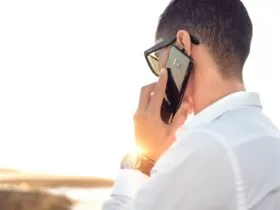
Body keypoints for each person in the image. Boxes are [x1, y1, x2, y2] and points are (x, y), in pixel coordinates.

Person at [102, 0, 280, 209]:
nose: (159, 71)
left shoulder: (206, 146)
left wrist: (143, 160)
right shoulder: (266, 135)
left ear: (182, 45)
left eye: (158, 57)